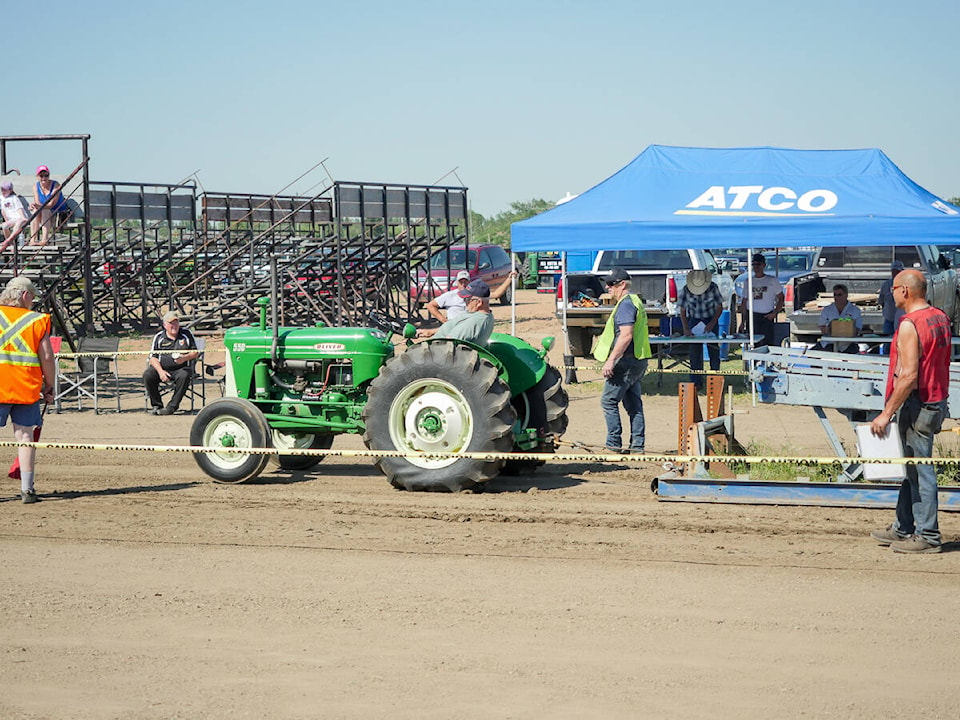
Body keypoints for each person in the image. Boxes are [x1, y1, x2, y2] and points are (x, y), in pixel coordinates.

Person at [870, 269, 950, 554]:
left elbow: (908, 376)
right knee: (911, 468)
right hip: (934, 400)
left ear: (904, 290)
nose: (890, 293)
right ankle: (903, 526)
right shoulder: (939, 317)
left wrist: (886, 413)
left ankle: (927, 535)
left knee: (920, 471)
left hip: (918, 404)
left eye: (892, 288)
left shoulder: (909, 325)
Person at [0, 276, 56, 503]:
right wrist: (50, 385)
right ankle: (27, 489)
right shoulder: (38, 320)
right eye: (32, 297)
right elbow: (47, 358)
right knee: (25, 436)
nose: (33, 301)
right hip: (26, 388)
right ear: (24, 295)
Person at [593, 267, 652, 454]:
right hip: (637, 360)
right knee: (633, 404)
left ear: (622, 284)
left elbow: (625, 336)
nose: (607, 287)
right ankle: (637, 446)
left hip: (626, 361)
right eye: (607, 283)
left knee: (608, 401)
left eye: (611, 284)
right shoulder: (634, 301)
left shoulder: (626, 304)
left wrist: (611, 361)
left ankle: (613, 445)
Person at [144, 310, 199, 415]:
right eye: (171, 323)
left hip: (181, 368)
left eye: (176, 322)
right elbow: (153, 358)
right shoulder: (159, 337)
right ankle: (156, 405)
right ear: (165, 325)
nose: (174, 326)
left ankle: (171, 407)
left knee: (184, 375)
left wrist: (184, 358)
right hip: (162, 369)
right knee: (148, 375)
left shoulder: (186, 334)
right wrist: (161, 372)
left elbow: (195, 352)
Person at [677, 269, 723, 387]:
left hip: (710, 318)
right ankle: (696, 382)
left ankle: (715, 380)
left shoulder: (713, 287)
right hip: (694, 320)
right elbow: (682, 310)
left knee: (714, 351)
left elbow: (719, 307)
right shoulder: (686, 289)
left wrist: (712, 323)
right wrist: (686, 328)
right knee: (695, 352)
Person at [417, 279, 495, 344]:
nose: (465, 302)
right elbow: (456, 329)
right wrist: (431, 332)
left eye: (467, 299)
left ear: (479, 303)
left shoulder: (474, 322)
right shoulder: (479, 315)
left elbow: (449, 342)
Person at [425, 270, 517, 324]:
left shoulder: (476, 295)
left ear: (469, 282)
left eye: (465, 282)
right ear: (457, 283)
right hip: (454, 325)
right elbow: (430, 305)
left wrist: (509, 279)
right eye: (461, 282)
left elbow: (497, 294)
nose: (463, 284)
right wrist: (444, 321)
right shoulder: (450, 296)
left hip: (470, 325)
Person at [737, 253, 783, 347]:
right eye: (754, 264)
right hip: (753, 316)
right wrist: (743, 321)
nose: (756, 267)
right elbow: (744, 301)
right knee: (754, 343)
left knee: (768, 344)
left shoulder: (772, 280)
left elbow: (781, 297)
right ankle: (755, 361)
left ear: (764, 265)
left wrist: (775, 312)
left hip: (767, 316)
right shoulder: (748, 281)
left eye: (758, 264)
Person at [29, 165, 69, 247]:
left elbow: (51, 204)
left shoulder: (55, 185)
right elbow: (37, 202)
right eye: (41, 176)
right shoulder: (35, 186)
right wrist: (33, 205)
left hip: (57, 212)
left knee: (44, 210)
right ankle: (32, 240)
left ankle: (44, 239)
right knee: (35, 211)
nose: (44, 178)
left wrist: (38, 206)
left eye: (46, 175)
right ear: (37, 177)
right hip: (44, 212)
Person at [816, 283, 862, 353]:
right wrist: (830, 329)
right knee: (811, 355)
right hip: (829, 342)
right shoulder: (827, 309)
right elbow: (822, 326)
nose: (836, 297)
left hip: (848, 343)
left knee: (855, 355)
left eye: (839, 295)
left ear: (846, 295)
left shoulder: (855, 310)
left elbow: (858, 329)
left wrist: (843, 329)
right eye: (835, 295)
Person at [1, 181, 30, 252]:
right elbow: (3, 210)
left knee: (18, 223)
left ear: (10, 190)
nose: (3, 191)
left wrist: (23, 217)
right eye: (2, 189)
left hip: (19, 217)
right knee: (4, 226)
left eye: (5, 189)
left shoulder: (14, 198)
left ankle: (8, 240)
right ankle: (10, 243)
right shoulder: (1, 198)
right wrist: (7, 221)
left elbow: (19, 208)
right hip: (12, 219)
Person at [879, 260, 905, 335]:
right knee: (887, 343)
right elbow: (881, 301)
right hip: (889, 320)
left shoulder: (906, 285)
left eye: (898, 271)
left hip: (902, 321)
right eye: (894, 271)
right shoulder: (886, 285)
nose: (896, 273)